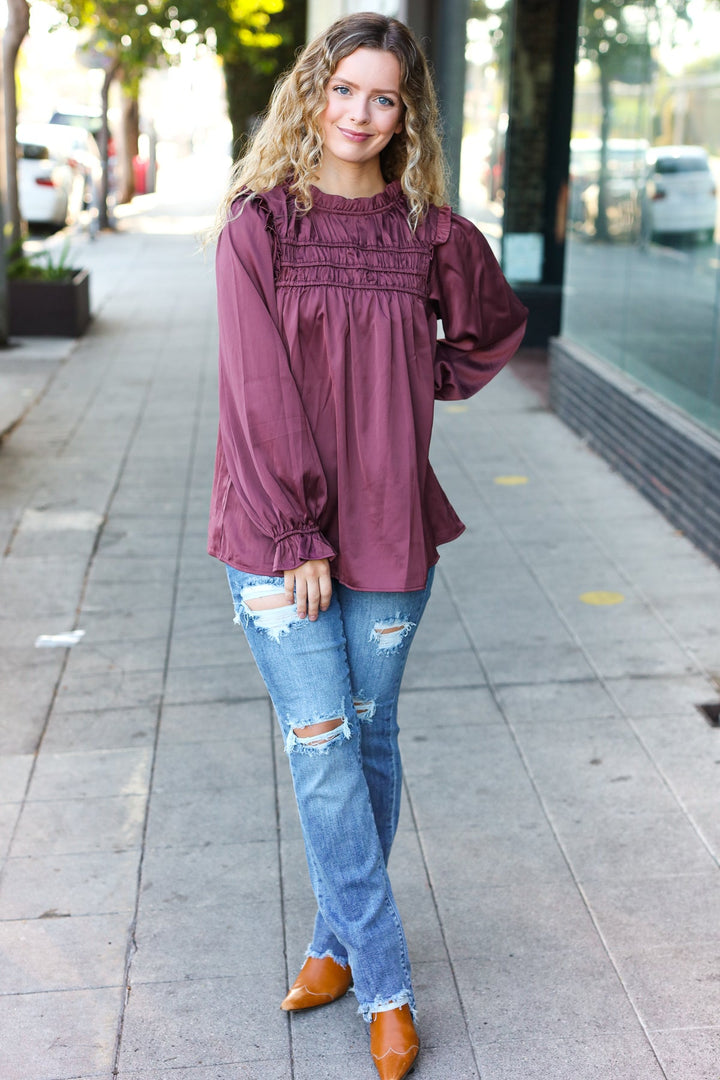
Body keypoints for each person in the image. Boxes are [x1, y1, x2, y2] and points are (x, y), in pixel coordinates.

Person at [208, 12, 527, 1080]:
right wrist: (299, 529)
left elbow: (488, 330)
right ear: (313, 93)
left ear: (406, 114)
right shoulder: (259, 226)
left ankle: (332, 946)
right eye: (344, 89)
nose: (359, 113)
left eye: (382, 96)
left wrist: (410, 382)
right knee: (322, 744)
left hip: (391, 527)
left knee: (367, 739)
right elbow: (255, 391)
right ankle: (387, 985)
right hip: (275, 532)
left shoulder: (430, 233)